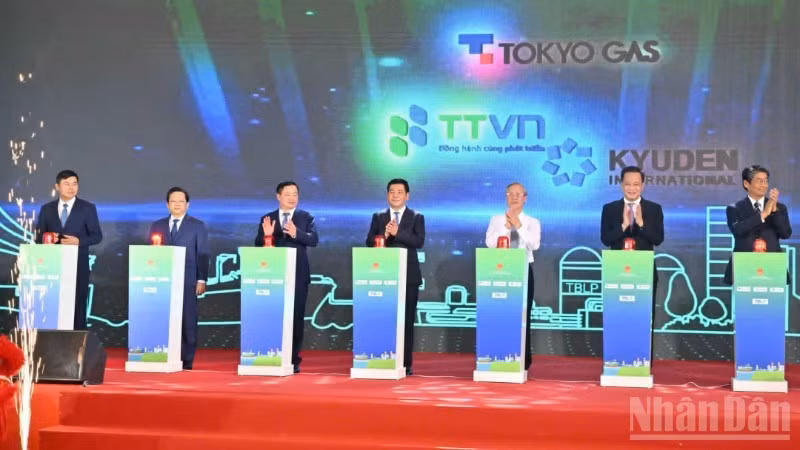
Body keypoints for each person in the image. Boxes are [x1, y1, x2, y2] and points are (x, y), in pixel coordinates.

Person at [254, 181, 318, 373]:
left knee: (296, 318)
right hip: (273, 275)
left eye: (295, 194)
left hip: (298, 275)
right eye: (288, 194)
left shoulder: (305, 217)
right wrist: (267, 236)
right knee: (273, 316)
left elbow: (314, 240)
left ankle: (293, 359)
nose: (292, 197)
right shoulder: (268, 218)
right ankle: (271, 354)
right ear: (278, 196)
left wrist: (296, 233)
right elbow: (258, 246)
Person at [600, 166, 664, 356]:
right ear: (621, 185)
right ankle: (616, 360)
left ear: (642, 185)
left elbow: (658, 239)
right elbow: (606, 239)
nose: (632, 188)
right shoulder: (610, 209)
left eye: (636, 184)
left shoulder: (654, 209)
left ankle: (643, 363)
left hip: (644, 273)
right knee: (618, 318)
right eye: (628, 184)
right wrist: (624, 225)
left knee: (643, 319)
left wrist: (642, 223)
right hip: (617, 273)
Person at [366, 178, 425, 376]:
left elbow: (419, 241)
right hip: (383, 276)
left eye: (400, 192)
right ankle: (382, 358)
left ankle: (405, 363)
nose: (396, 195)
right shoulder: (378, 216)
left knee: (406, 321)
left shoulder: (416, 216)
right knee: (383, 319)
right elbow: (369, 242)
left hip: (408, 277)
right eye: (392, 191)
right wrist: (382, 235)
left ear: (407, 195)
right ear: (387, 194)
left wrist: (398, 233)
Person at [149, 187, 209, 370]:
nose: (177, 204)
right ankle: (163, 354)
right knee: (163, 318)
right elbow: (151, 254)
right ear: (167, 204)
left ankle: (187, 359)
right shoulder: (157, 225)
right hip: (162, 281)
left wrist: (201, 279)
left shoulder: (197, 226)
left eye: (181, 201)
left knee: (187, 320)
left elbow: (203, 254)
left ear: (187, 204)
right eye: (173, 201)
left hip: (188, 280)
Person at [35, 170, 103, 330]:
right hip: (52, 266)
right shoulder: (47, 209)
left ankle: (78, 341)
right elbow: (38, 237)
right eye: (66, 184)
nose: (71, 187)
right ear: (57, 186)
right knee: (53, 302)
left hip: (78, 264)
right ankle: (50, 340)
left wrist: (78, 241)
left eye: (74, 184)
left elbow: (97, 236)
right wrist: (50, 238)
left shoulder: (87, 208)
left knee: (78, 302)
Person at [485, 182, 541, 371]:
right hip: (499, 271)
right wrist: (507, 228)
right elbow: (490, 243)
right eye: (511, 193)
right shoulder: (496, 219)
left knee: (523, 315)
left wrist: (519, 227)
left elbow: (534, 245)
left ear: (525, 198)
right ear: (506, 196)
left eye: (519, 194)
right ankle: (498, 355)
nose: (515, 197)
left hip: (524, 269)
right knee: (500, 313)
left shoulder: (533, 222)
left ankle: (523, 361)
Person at [724, 165, 792, 285]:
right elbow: (738, 230)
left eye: (766, 181)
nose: (764, 185)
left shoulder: (779, 207)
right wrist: (763, 214)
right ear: (746, 183)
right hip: (743, 267)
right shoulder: (734, 208)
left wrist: (774, 211)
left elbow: (785, 234)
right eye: (759, 181)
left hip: (773, 267)